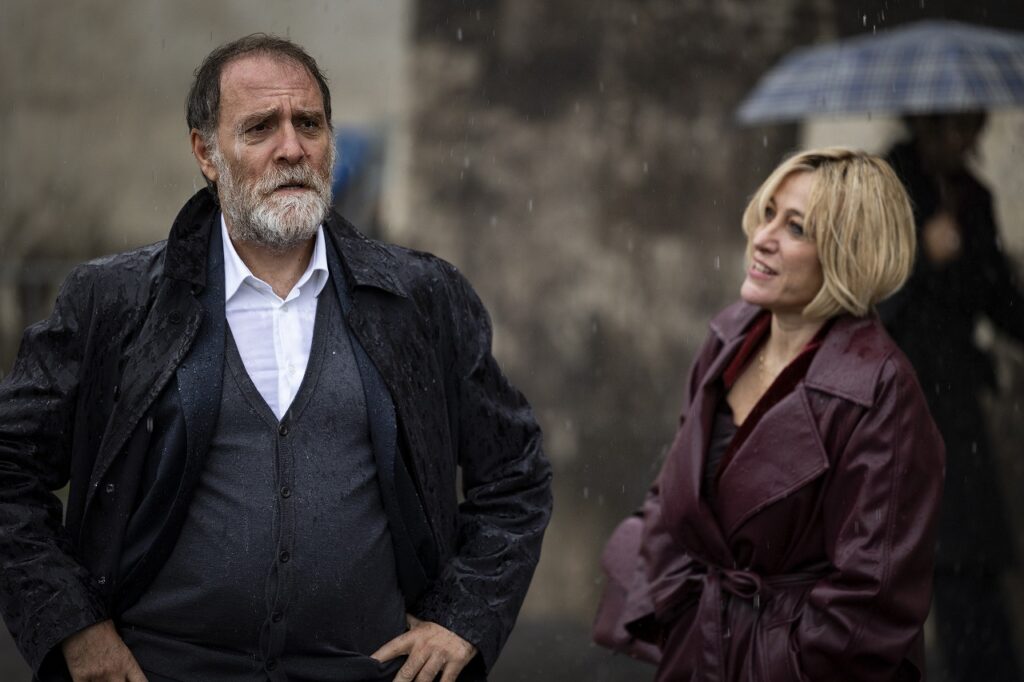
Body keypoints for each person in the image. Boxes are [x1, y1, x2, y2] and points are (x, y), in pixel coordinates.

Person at [0, 34, 552, 682]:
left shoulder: (419, 300)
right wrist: (75, 629)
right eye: (260, 127)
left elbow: (516, 469)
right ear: (205, 153)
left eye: (309, 124)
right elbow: (8, 467)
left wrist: (464, 618)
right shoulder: (117, 302)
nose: (292, 148)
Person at [593, 148, 944, 680]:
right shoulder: (729, 337)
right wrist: (677, 615)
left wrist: (771, 661)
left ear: (848, 255)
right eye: (768, 213)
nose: (762, 236)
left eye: (796, 227)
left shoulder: (880, 391)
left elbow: (870, 603)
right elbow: (674, 496)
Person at [881, 113, 1024, 682]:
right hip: (894, 402)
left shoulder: (972, 198)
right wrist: (920, 255)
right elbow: (862, 294)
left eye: (972, 128)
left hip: (955, 403)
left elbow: (998, 298)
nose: (965, 141)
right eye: (954, 128)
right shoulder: (881, 190)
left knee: (967, 555)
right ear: (926, 125)